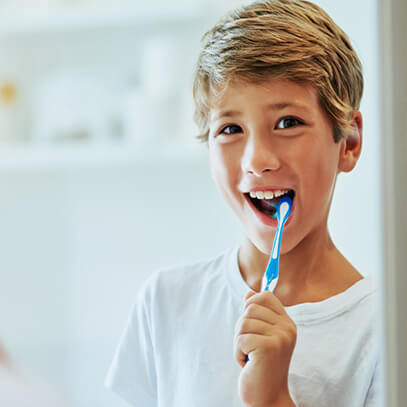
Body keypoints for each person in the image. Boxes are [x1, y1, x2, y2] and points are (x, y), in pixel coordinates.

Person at [105, 1, 380, 406]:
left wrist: (273, 399)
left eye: (288, 123)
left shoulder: (382, 330)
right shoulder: (164, 304)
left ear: (349, 143)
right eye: (230, 128)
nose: (257, 161)